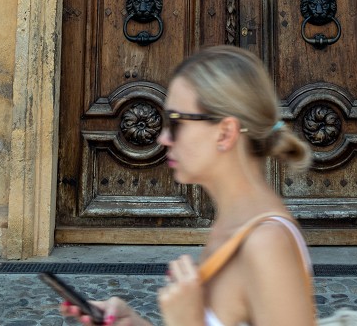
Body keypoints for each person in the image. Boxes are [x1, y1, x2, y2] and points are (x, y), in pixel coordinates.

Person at [62, 47, 316, 326]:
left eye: (176, 122)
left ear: (226, 133)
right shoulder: (232, 223)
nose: (163, 138)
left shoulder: (267, 244)